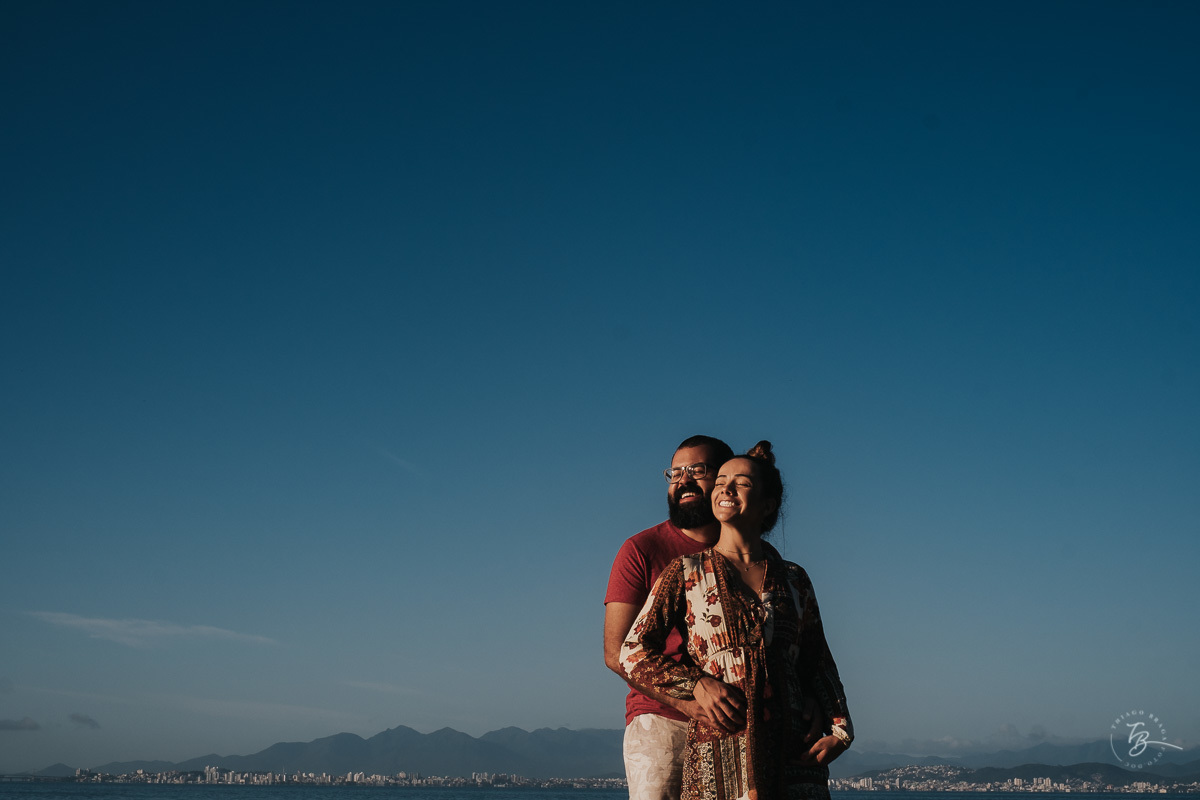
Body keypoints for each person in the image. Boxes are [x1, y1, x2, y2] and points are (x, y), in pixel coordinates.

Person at [620, 441, 852, 800]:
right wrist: (694, 684)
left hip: (793, 751)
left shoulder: (794, 578)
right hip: (718, 748)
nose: (726, 489)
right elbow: (631, 651)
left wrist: (840, 731)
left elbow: (817, 661)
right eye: (721, 480)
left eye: (741, 483)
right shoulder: (684, 572)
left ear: (768, 504)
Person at [604, 434, 736, 800]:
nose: (683, 480)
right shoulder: (641, 550)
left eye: (697, 470)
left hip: (740, 724)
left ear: (725, 479)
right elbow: (616, 652)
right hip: (661, 722)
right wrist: (688, 697)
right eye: (675, 473)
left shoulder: (753, 555)